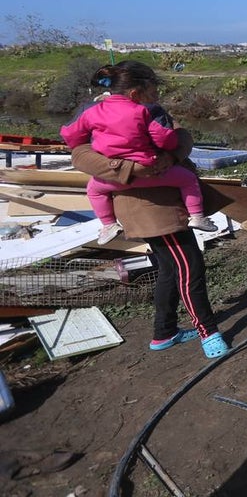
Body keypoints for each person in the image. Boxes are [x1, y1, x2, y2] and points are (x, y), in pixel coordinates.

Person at [70, 106, 230, 360]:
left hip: (164, 203)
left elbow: (182, 136)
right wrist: (127, 167)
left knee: (169, 270)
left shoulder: (147, 109)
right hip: (156, 211)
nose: (154, 92)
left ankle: (164, 332)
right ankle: (208, 333)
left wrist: (172, 156)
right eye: (150, 86)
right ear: (134, 88)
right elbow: (80, 154)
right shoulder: (100, 114)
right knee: (190, 270)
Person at [60, 62, 218, 245]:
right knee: (187, 268)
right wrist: (160, 156)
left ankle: (108, 224)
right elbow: (167, 139)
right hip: (157, 203)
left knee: (94, 190)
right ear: (135, 93)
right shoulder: (147, 111)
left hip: (120, 186)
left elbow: (70, 136)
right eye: (153, 92)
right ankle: (197, 216)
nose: (156, 97)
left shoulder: (90, 111)